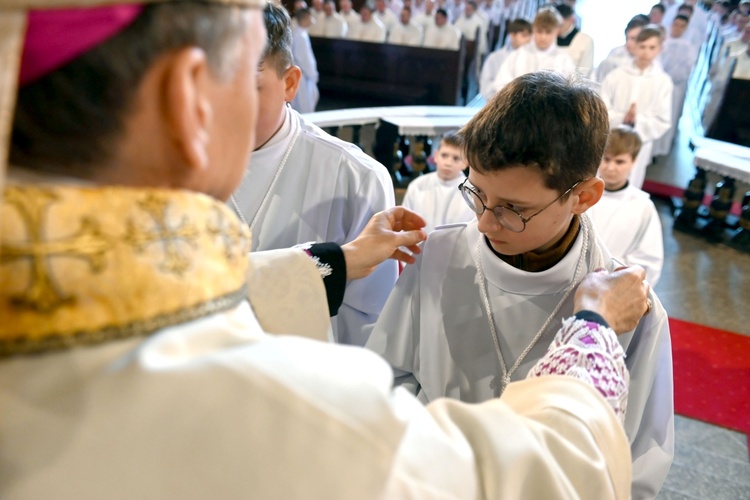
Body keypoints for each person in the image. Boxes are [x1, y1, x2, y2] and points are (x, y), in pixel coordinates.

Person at [1, 2, 656, 498]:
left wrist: (338, 261)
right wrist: (593, 333)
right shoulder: (290, 421)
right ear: (188, 99)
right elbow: (541, 474)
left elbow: (206, 285)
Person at [366, 72, 674, 499]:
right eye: (477, 193)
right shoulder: (439, 254)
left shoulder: (630, 304)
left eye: (514, 209)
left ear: (583, 196)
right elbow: (388, 376)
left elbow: (637, 457)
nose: (485, 222)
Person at [231, 3, 396, 346]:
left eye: (245, 86)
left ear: (289, 83)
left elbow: (372, 326)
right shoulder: (163, 166)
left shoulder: (356, 178)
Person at [588, 127, 664, 286]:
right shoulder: (581, 192)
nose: (610, 168)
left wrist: (609, 275)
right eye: (606, 159)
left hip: (613, 285)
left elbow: (648, 260)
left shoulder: (642, 206)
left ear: (634, 162)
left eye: (619, 161)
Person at [600, 25, 673, 189]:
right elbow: (602, 108)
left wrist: (637, 121)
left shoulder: (662, 81)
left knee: (631, 182)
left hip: (640, 141)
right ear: (634, 47)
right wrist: (621, 118)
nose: (646, 52)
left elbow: (662, 119)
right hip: (612, 137)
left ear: (659, 49)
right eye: (642, 47)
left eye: (652, 47)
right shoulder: (616, 75)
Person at [400, 131, 475, 232]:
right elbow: (405, 224)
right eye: (444, 155)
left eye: (456, 158)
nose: (448, 163)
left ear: (465, 162)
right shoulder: (417, 186)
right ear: (436, 156)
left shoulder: (472, 193)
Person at [491, 7, 575, 93]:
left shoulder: (564, 59)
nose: (543, 37)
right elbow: (500, 84)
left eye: (548, 32)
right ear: (533, 29)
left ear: (557, 31)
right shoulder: (519, 54)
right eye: (539, 31)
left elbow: (570, 90)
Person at [653, 14, 699, 156]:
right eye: (676, 24)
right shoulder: (662, 42)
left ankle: (662, 149)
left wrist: (670, 78)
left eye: (681, 25)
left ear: (686, 28)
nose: (677, 28)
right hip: (657, 85)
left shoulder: (688, 47)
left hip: (675, 87)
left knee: (669, 116)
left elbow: (687, 69)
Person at [479, 17, 531, 100]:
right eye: (524, 35)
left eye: (530, 36)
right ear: (512, 35)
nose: (528, 40)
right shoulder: (495, 58)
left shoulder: (531, 58)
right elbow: (485, 88)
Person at [595, 15, 650, 83]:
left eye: (633, 38)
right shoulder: (616, 53)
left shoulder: (651, 57)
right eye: (627, 38)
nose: (628, 43)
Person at [290, 8, 320, 113]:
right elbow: (305, 60)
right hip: (304, 76)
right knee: (304, 106)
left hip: (301, 74)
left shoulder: (298, 32)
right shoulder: (301, 36)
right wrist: (313, 74)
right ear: (305, 19)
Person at [555, 2, 594, 78]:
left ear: (571, 19)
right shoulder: (550, 37)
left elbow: (584, 72)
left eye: (560, 25)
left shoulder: (585, 40)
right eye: (554, 25)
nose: (557, 29)